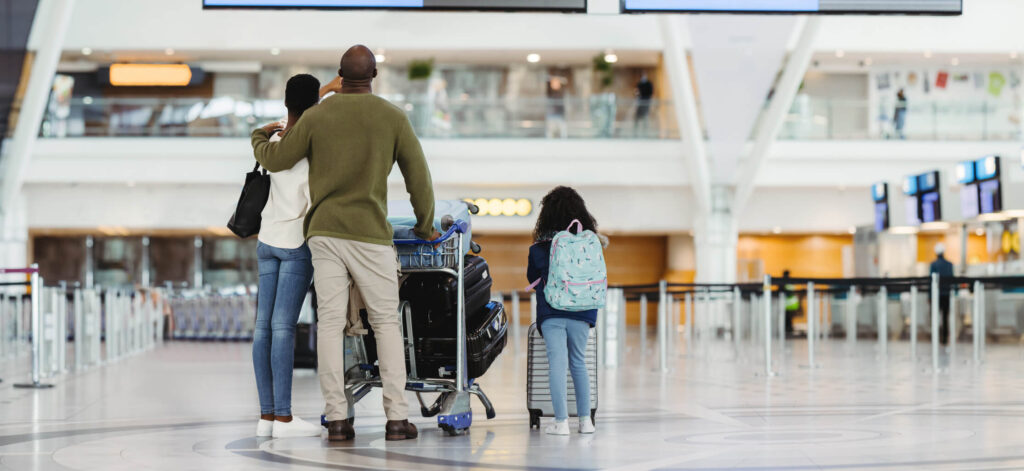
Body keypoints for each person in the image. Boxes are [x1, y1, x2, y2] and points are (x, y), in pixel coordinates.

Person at [252, 45, 439, 442]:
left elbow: (280, 157)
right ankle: (396, 419)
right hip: (370, 234)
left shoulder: (319, 115)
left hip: (324, 235)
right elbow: (418, 177)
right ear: (374, 75)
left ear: (339, 75)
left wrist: (259, 138)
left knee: (332, 325)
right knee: (386, 323)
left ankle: (337, 419)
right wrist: (425, 226)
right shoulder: (392, 117)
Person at [252, 74, 341, 439]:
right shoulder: (313, 146)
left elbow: (290, 117)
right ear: (315, 107)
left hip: (266, 239)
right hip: (295, 245)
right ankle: (285, 419)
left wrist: (321, 91)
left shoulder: (274, 139)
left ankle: (266, 418)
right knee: (283, 328)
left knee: (262, 328)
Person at [527, 186, 600, 436]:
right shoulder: (590, 244)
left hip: (553, 311)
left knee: (557, 364)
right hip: (584, 310)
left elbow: (532, 277)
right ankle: (585, 422)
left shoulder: (539, 249)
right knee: (579, 363)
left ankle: (561, 423)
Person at [930, 243, 954, 344]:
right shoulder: (949, 265)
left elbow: (932, 281)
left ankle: (936, 337)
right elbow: (952, 280)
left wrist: (930, 296)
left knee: (935, 317)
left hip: (937, 295)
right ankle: (945, 338)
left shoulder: (934, 265)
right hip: (946, 294)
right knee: (945, 317)